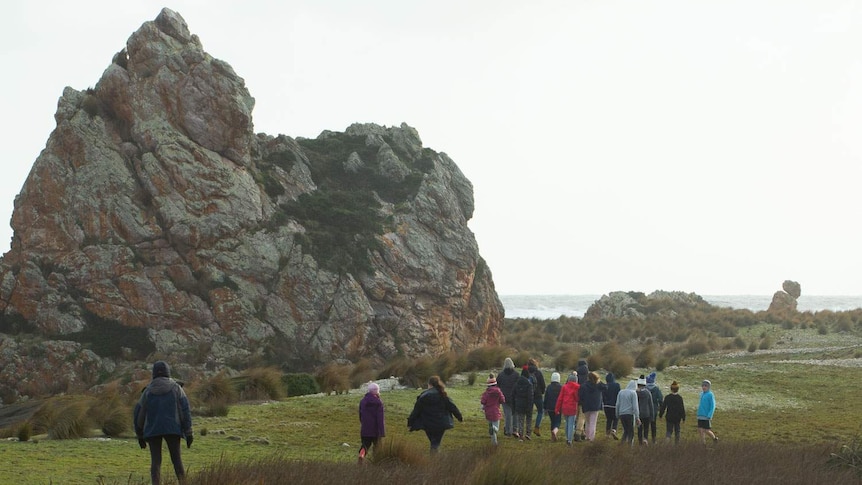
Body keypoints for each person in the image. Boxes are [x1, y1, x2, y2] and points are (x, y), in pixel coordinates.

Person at [133, 361, 193, 485]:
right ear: (168, 372)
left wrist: (140, 435)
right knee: (177, 460)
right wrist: (188, 432)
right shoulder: (176, 388)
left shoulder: (147, 391)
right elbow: (185, 410)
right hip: (173, 429)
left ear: (154, 373)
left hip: (153, 430)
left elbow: (138, 413)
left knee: (156, 462)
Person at [408, 375, 464, 453]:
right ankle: (435, 458)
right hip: (441, 423)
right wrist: (459, 416)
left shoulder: (423, 396)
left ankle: (434, 459)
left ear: (429, 384)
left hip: (427, 423)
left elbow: (416, 411)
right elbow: (452, 406)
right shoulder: (443, 394)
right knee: (436, 442)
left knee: (433, 442)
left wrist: (410, 422)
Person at [358, 382, 385, 462]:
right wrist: (382, 432)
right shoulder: (378, 403)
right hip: (376, 430)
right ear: (377, 391)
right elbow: (380, 418)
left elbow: (360, 415)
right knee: (377, 447)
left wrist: (363, 424)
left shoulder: (363, 401)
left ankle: (361, 456)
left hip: (365, 428)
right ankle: (376, 462)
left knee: (365, 445)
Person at [578, 371, 606, 441]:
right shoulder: (599, 385)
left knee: (587, 422)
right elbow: (606, 387)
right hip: (595, 406)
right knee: (593, 422)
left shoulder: (584, 386)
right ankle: (591, 438)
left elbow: (580, 395)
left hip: (586, 406)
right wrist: (599, 381)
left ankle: (587, 436)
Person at [554, 373, 580, 446]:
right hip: (572, 407)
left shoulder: (564, 387)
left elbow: (560, 398)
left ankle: (567, 438)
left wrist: (557, 408)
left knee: (567, 423)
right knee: (571, 424)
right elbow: (577, 398)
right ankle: (569, 440)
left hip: (565, 407)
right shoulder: (577, 387)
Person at [480, 373, 505, 445]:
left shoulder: (486, 393)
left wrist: (482, 406)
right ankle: (494, 429)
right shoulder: (499, 391)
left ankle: (494, 442)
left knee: (491, 429)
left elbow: (483, 401)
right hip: (496, 411)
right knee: (496, 428)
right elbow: (502, 400)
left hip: (488, 412)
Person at [496, 357, 518, 437]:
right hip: (514, 397)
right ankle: (515, 430)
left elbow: (497, 385)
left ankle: (508, 431)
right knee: (515, 414)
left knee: (507, 414)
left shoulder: (501, 375)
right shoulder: (516, 374)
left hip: (504, 396)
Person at [512, 365, 535, 441]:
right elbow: (530, 396)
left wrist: (514, 405)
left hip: (519, 404)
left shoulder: (516, 384)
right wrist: (530, 406)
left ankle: (521, 435)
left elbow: (513, 394)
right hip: (527, 404)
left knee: (520, 420)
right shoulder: (529, 385)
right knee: (528, 419)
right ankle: (528, 434)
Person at [616, 379, 640, 446]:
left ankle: (622, 445)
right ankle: (629, 447)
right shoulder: (633, 393)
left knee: (626, 430)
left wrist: (617, 414)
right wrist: (637, 417)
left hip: (621, 414)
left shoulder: (621, 392)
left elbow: (617, 404)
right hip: (629, 414)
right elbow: (635, 406)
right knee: (631, 432)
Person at [527, 358, 546, 436]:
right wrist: (542, 392)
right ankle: (536, 427)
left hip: (528, 395)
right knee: (540, 411)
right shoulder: (539, 373)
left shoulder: (526, 372)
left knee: (529, 413)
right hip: (538, 395)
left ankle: (528, 430)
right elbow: (543, 384)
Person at [543, 372, 563, 441]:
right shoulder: (561, 387)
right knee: (557, 421)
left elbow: (546, 398)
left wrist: (545, 407)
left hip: (550, 408)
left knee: (552, 421)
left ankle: (552, 437)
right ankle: (555, 431)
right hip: (558, 408)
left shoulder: (549, 387)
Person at [697, 379, 718, 444]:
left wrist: (710, 415)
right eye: (703, 386)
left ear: (708, 387)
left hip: (706, 416)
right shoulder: (701, 394)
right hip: (700, 415)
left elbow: (713, 406)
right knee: (700, 430)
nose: (704, 387)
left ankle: (714, 439)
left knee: (706, 430)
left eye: (705, 386)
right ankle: (703, 443)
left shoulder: (710, 395)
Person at [635, 375, 655, 445]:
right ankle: (645, 439)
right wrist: (652, 416)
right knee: (646, 428)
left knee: (640, 429)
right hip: (647, 413)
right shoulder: (648, 393)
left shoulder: (636, 393)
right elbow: (651, 405)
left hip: (639, 414)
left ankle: (640, 442)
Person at [645, 372, 663, 444]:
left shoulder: (645, 389)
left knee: (645, 425)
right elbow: (661, 399)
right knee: (653, 425)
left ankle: (645, 439)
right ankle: (654, 440)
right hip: (654, 409)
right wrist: (661, 409)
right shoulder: (657, 389)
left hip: (645, 409)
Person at [574, 359, 590, 440]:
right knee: (582, 416)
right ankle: (578, 433)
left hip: (575, 398)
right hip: (585, 399)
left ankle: (583, 433)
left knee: (577, 416)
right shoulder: (588, 377)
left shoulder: (575, 375)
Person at [602, 372, 621, 439]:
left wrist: (604, 403)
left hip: (606, 405)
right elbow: (619, 395)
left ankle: (607, 433)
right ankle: (613, 430)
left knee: (609, 419)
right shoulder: (617, 385)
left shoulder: (605, 386)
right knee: (615, 418)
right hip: (614, 405)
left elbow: (603, 396)